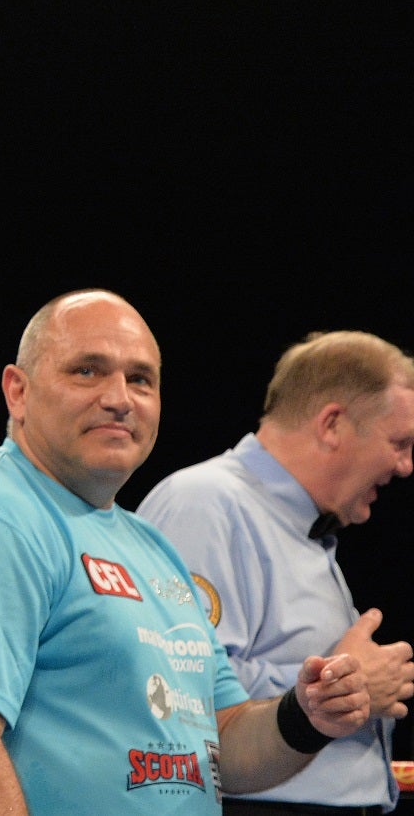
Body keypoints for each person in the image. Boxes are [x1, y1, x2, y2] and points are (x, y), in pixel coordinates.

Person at [0, 290, 374, 816]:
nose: (119, 398)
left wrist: (305, 715)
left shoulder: (149, 546)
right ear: (17, 391)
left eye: (140, 379)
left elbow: (222, 739)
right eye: (87, 371)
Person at [140, 330, 414, 815]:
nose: (406, 465)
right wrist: (343, 687)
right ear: (332, 424)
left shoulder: (301, 528)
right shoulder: (206, 503)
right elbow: (174, 688)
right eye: (399, 442)